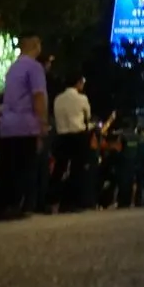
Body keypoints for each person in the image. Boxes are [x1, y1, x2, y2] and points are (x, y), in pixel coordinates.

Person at [0, 36, 49, 220]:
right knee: (25, 168)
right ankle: (19, 206)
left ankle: (3, 205)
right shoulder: (34, 67)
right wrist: (42, 123)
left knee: (8, 168)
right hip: (26, 124)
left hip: (7, 125)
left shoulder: (13, 68)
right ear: (35, 46)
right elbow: (38, 96)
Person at [52, 73, 92, 213]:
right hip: (78, 136)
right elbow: (88, 116)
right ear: (78, 83)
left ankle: (51, 200)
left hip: (61, 136)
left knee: (59, 168)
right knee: (77, 169)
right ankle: (71, 202)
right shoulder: (82, 98)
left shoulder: (58, 99)